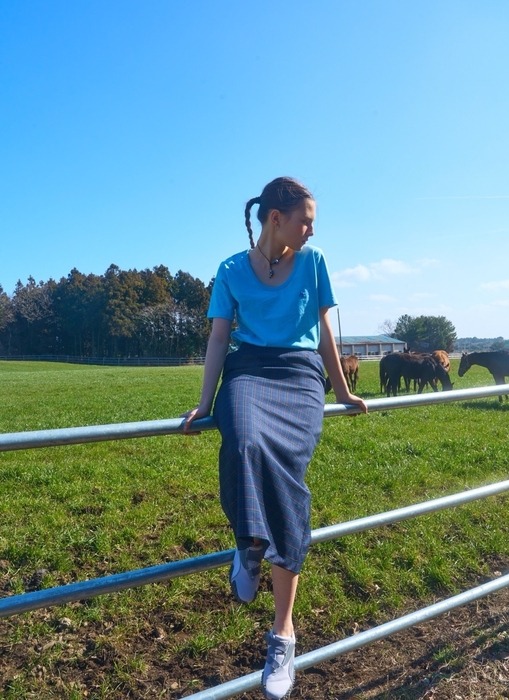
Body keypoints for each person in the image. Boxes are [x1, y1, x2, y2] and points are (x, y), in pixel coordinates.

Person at [182, 176, 367, 700]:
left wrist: (343, 390)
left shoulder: (314, 261)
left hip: (300, 374)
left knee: (285, 475)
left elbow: (325, 331)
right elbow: (219, 336)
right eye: (305, 219)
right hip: (247, 369)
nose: (312, 229)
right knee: (240, 441)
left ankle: (283, 632)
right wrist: (203, 400)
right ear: (275, 218)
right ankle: (249, 544)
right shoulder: (230, 270)